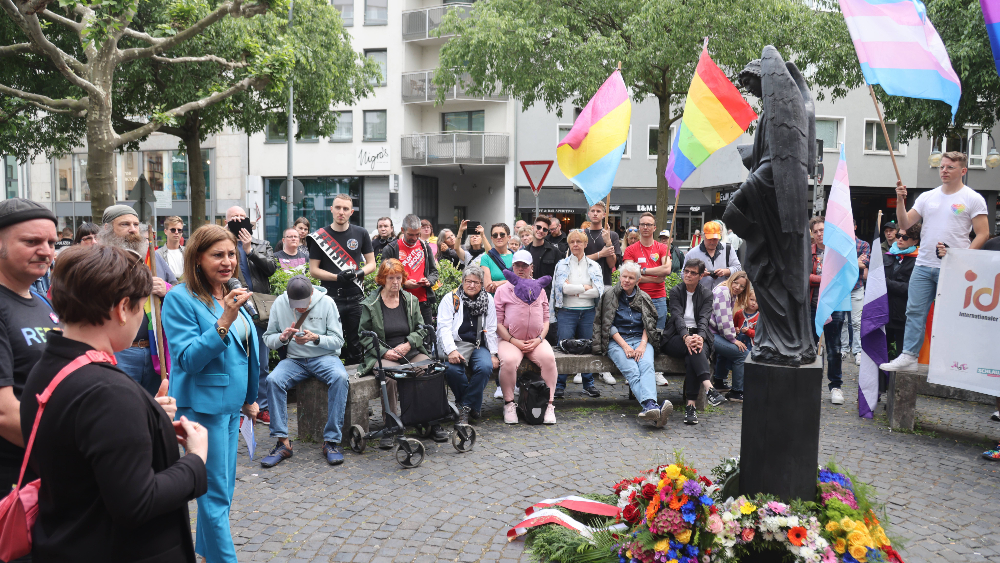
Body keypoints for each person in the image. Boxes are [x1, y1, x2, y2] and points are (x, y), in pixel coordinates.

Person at [22, 245, 208, 562]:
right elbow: (138, 503)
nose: (142, 319)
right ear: (122, 308)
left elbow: (83, 445)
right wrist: (195, 459)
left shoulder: (48, 366)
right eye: (141, 310)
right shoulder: (109, 392)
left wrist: (145, 418)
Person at [161, 224, 260, 563]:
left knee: (223, 491)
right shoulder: (179, 298)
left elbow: (246, 351)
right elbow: (187, 359)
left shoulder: (228, 293)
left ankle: (205, 553)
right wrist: (224, 321)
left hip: (231, 406)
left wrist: (249, 397)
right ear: (197, 258)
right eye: (217, 255)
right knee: (216, 494)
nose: (227, 261)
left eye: (231, 254)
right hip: (204, 408)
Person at [881, 152, 989, 372]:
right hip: (923, 264)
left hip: (952, 267)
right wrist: (900, 201)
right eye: (942, 167)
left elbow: (983, 233)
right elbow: (904, 224)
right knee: (914, 312)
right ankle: (909, 356)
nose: (944, 171)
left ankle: (951, 360)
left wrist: (962, 257)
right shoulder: (927, 196)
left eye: (950, 167)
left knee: (950, 315)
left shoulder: (973, 198)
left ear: (963, 171)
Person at [0, 199, 59, 507]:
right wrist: (71, 453)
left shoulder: (42, 302)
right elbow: (4, 412)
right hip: (12, 480)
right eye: (32, 241)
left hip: (44, 473)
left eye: (51, 242)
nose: (46, 251)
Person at [261, 275, 348, 468]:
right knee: (274, 380)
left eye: (304, 304)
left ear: (312, 295)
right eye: (296, 305)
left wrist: (316, 338)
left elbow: (338, 341)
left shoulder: (326, 303)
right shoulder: (280, 303)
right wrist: (282, 338)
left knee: (340, 377)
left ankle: (331, 441)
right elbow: (268, 338)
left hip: (325, 358)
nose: (299, 309)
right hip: (295, 360)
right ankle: (283, 442)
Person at [98, 205, 177, 396]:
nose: (133, 229)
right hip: (118, 350)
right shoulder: (97, 260)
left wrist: (165, 289)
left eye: (135, 224)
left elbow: (178, 291)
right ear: (107, 228)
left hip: (154, 350)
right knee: (121, 406)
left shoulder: (153, 256)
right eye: (125, 224)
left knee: (154, 409)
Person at [358, 259, 436, 446]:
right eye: (390, 278)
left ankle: (425, 418)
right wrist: (384, 352)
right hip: (383, 354)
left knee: (429, 368)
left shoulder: (410, 300)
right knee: (391, 377)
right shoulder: (371, 303)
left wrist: (409, 343)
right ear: (382, 279)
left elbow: (421, 328)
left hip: (409, 351)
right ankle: (390, 426)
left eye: (398, 278)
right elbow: (363, 335)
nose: (395, 282)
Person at [593, 261, 671, 427]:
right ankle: (652, 406)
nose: (626, 280)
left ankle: (651, 410)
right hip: (617, 341)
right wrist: (626, 347)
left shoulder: (643, 298)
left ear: (637, 281)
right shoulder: (609, 295)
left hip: (641, 338)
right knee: (633, 371)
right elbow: (607, 324)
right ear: (619, 277)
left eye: (631, 277)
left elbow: (648, 324)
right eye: (624, 276)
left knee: (647, 366)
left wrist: (642, 345)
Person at [308, 193, 376, 367]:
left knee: (357, 344)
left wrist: (358, 273)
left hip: (355, 297)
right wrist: (336, 277)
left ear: (351, 212)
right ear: (331, 209)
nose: (341, 212)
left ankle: (357, 383)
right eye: (338, 207)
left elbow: (372, 264)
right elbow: (313, 270)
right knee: (330, 342)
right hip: (330, 298)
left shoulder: (361, 233)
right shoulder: (320, 236)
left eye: (345, 209)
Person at [225, 205, 276, 422]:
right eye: (233, 217)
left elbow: (271, 269)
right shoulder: (222, 244)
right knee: (234, 360)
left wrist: (249, 250)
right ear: (226, 222)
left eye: (241, 217)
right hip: (232, 306)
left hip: (258, 307)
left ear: (249, 221)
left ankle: (261, 405)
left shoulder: (261, 244)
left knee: (260, 360)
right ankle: (236, 409)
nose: (238, 219)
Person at [494, 250, 557, 424]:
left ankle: (549, 404)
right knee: (508, 361)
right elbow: (498, 322)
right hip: (510, 340)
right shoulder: (503, 290)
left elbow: (546, 319)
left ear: (531, 268)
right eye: (517, 265)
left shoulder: (540, 289)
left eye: (525, 265)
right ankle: (509, 403)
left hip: (536, 340)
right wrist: (513, 341)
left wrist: (539, 339)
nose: (521, 269)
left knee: (549, 359)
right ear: (512, 266)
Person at [661, 258, 721, 425]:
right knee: (694, 349)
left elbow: (704, 318)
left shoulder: (707, 294)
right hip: (675, 336)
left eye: (693, 273)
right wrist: (686, 337)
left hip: (699, 335)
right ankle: (708, 388)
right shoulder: (675, 291)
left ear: (701, 276)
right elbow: (677, 316)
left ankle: (691, 406)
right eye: (686, 271)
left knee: (693, 352)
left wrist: (700, 337)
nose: (687, 275)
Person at [436, 264, 499, 424]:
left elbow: (491, 328)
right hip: (456, 344)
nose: (472, 285)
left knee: (485, 367)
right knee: (452, 370)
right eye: (468, 281)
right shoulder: (451, 299)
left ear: (481, 284)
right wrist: (451, 351)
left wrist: (493, 353)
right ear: (463, 281)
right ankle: (472, 406)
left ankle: (464, 406)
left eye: (476, 282)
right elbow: (443, 328)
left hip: (477, 345)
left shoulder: (488, 300)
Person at [551, 230, 604, 398]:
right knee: (563, 348)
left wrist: (575, 290)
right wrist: (585, 287)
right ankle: (559, 385)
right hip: (567, 312)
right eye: (572, 241)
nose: (575, 244)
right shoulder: (562, 265)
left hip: (588, 312)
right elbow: (563, 289)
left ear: (585, 244)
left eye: (579, 242)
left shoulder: (594, 266)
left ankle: (588, 384)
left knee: (588, 348)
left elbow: (597, 292)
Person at [809, 216, 846, 404]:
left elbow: (845, 276)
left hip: (835, 305)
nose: (819, 234)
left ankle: (836, 386)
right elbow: (804, 276)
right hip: (813, 305)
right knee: (811, 345)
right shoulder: (809, 252)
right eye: (815, 231)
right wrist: (822, 280)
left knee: (834, 348)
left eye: (822, 230)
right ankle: (810, 385)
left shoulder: (837, 251)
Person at [380, 214, 439, 326]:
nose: (415, 238)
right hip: (399, 301)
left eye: (418, 234)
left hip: (423, 301)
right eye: (410, 234)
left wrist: (429, 281)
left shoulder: (425, 247)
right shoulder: (391, 249)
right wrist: (403, 284)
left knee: (426, 337)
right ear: (402, 230)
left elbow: (434, 272)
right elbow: (383, 277)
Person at [623, 212, 672, 330]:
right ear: (638, 227)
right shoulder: (630, 250)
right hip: (636, 297)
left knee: (657, 334)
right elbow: (629, 276)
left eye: (649, 225)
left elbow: (666, 269)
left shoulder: (663, 248)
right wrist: (654, 279)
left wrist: (641, 271)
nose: (645, 227)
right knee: (636, 333)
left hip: (658, 298)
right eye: (643, 224)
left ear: (654, 228)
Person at [709, 271, 751, 403]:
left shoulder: (728, 291)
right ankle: (736, 392)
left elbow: (724, 321)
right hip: (710, 334)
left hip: (714, 332)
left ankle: (719, 382)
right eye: (736, 283)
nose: (738, 287)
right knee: (742, 353)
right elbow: (723, 322)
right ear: (731, 280)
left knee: (727, 351)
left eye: (742, 286)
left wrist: (733, 332)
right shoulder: (723, 292)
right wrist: (733, 339)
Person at [884, 223, 920, 364]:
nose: (900, 239)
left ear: (915, 241)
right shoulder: (887, 256)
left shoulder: (918, 261)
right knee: (881, 353)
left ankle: (897, 385)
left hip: (903, 315)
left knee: (901, 355)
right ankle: (881, 385)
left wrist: (886, 283)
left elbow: (911, 288)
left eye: (905, 237)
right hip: (884, 312)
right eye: (899, 235)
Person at [841, 219, 870, 365]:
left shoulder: (864, 244)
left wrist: (846, 260)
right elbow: (836, 264)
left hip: (857, 286)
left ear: (855, 226)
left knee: (857, 321)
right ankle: (844, 349)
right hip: (841, 287)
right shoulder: (838, 244)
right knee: (843, 320)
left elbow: (864, 265)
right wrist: (855, 261)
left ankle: (857, 351)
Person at [684, 221, 741, 291]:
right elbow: (683, 275)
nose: (712, 242)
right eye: (709, 239)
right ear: (703, 236)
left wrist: (726, 271)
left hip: (724, 295)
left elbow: (738, 269)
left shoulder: (728, 249)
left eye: (715, 239)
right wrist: (698, 274)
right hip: (700, 295)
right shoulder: (692, 253)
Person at [584, 202, 621, 290]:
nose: (595, 213)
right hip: (584, 283)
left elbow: (611, 264)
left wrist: (608, 242)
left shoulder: (612, 235)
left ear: (604, 215)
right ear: (589, 214)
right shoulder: (582, 234)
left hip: (604, 282)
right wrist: (600, 254)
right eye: (592, 211)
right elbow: (577, 260)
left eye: (598, 211)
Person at [479, 223, 515, 294]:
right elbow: (488, 287)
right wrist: (512, 282)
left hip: (515, 301)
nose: (499, 237)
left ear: (509, 237)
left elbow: (523, 281)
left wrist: (499, 283)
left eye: (502, 234)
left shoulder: (517, 257)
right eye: (495, 235)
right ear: (492, 238)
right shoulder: (486, 258)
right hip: (494, 301)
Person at [527, 216, 560, 288]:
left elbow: (558, 277)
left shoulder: (554, 252)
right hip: (527, 295)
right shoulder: (525, 252)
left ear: (547, 232)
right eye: (538, 227)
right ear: (532, 228)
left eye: (545, 229)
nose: (541, 231)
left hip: (546, 296)